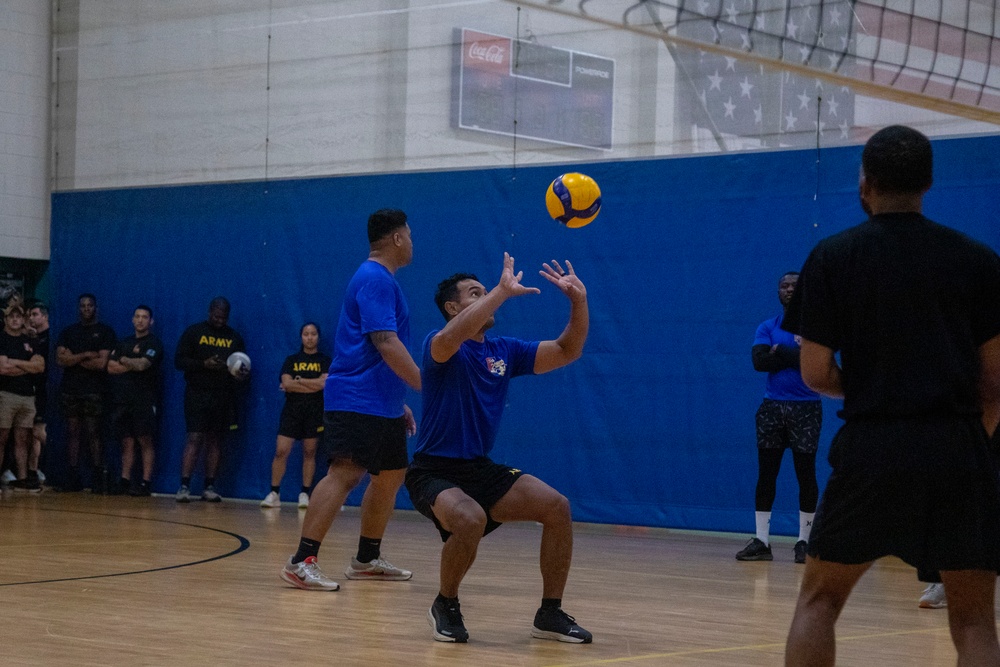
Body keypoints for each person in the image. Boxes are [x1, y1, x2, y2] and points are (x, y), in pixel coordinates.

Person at [783, 125, 1000, 666]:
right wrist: (969, 436)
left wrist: (879, 385)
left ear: (866, 182)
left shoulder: (833, 257)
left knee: (819, 601)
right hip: (957, 449)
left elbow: (814, 372)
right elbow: (995, 382)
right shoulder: (976, 260)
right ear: (927, 182)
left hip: (872, 449)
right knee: (975, 620)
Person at [405, 253, 592, 644]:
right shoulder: (439, 347)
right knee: (469, 519)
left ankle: (550, 612)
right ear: (452, 308)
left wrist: (579, 302)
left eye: (486, 291)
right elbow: (450, 337)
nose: (488, 296)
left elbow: (567, 350)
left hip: (478, 468)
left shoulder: (503, 351)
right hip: (432, 471)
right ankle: (446, 603)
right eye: (476, 293)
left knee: (557, 507)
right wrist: (502, 293)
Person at [280, 208, 420, 591]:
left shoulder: (383, 280)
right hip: (357, 397)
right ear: (396, 239)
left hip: (382, 401)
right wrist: (425, 384)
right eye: (408, 234)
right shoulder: (375, 278)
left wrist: (399, 397)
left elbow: (379, 350)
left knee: (390, 475)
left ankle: (366, 558)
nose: (411, 241)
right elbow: (385, 342)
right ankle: (301, 561)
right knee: (346, 473)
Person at [736, 272, 821, 564]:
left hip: (806, 407)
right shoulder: (767, 326)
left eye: (794, 286)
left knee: (805, 474)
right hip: (772, 407)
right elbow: (759, 362)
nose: (788, 290)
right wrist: (796, 355)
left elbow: (818, 362)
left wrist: (782, 351)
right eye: (783, 286)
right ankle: (762, 540)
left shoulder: (815, 328)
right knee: (766, 474)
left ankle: (804, 542)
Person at [174, 297, 248, 502]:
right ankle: (184, 486)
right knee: (195, 437)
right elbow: (178, 361)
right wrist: (203, 364)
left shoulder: (234, 337)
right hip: (197, 393)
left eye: (223, 317)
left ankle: (209, 486)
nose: (219, 320)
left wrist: (240, 373)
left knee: (215, 439)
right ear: (209, 312)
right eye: (216, 316)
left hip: (223, 395)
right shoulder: (194, 332)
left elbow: (243, 367)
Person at [261, 322, 331, 509]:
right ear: (301, 337)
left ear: (318, 336)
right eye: (306, 334)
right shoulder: (291, 360)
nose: (309, 337)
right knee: (281, 451)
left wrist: (299, 381)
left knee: (310, 452)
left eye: (313, 334)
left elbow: (324, 385)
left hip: (314, 411)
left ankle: (304, 494)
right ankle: (275, 493)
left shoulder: (324, 360)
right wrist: (308, 384)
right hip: (292, 411)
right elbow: (287, 383)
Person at [56, 293, 116, 492]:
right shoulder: (68, 332)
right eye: (82, 306)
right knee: (73, 432)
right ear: (78, 308)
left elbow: (101, 364)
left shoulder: (105, 332)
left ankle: (98, 476)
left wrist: (73, 359)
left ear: (96, 308)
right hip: (70, 389)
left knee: (93, 432)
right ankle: (73, 476)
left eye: (90, 305)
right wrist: (85, 355)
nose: (86, 309)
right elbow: (60, 360)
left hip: (94, 390)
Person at [106, 305, 164, 496]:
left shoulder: (153, 343)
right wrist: (130, 361)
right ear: (132, 319)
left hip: (144, 399)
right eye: (137, 316)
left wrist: (124, 360)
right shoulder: (124, 342)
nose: (140, 320)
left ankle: (146, 483)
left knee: (144, 439)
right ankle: (125, 480)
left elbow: (143, 365)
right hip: (123, 399)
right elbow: (110, 367)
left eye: (144, 317)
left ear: (151, 321)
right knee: (127, 441)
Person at [0, 302, 45, 491]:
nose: (15, 320)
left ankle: (23, 478)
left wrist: (17, 363)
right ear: (5, 319)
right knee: (1, 438)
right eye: (11, 317)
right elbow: (3, 368)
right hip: (6, 394)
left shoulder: (31, 341)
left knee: (22, 439)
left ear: (23, 320)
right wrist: (27, 367)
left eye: (18, 317)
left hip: (27, 396)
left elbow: (39, 367)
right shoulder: (2, 339)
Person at [26, 301, 50, 486]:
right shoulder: (31, 338)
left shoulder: (49, 337)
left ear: (45, 316)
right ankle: (31, 471)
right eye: (30, 315)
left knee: (38, 429)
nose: (31, 318)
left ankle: (40, 464)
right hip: (29, 388)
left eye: (35, 314)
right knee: (31, 432)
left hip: (44, 389)